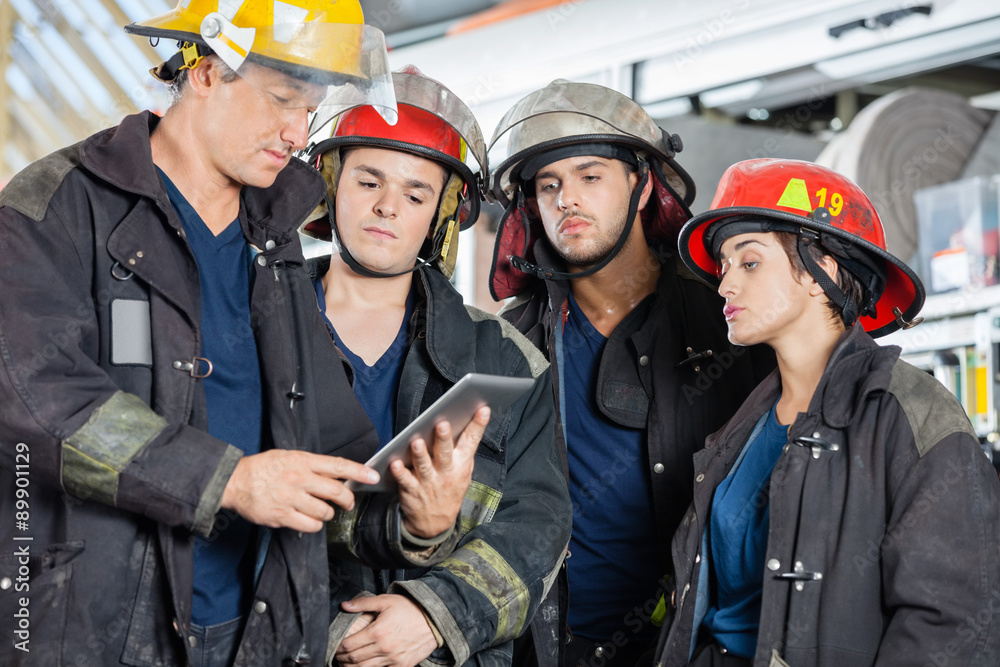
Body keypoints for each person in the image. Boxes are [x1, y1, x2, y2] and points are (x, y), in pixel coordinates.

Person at [0, 3, 483, 666]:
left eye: (310, 109)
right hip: (94, 629)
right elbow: (35, 404)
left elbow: (332, 449)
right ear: (203, 73)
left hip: (255, 632)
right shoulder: (55, 206)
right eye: (282, 99)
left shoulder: (273, 240)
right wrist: (227, 480)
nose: (296, 131)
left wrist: (414, 521)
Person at [654, 158, 1000, 666]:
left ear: (823, 272)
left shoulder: (911, 416)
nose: (725, 285)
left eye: (749, 262)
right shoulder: (737, 427)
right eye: (724, 266)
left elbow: (954, 627)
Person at [486, 80, 775, 667]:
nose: (567, 199)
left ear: (642, 186)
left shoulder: (732, 322)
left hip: (691, 649)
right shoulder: (504, 345)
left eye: (590, 176)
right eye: (549, 185)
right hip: (547, 649)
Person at [303, 66, 572, 667]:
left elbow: (540, 524)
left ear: (442, 215)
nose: (386, 208)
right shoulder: (251, 324)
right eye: (368, 180)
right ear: (329, 186)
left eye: (416, 194)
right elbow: (214, 503)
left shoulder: (506, 359)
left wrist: (435, 614)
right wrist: (326, 633)